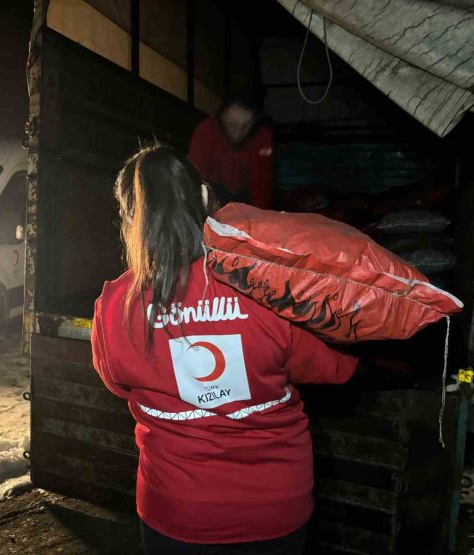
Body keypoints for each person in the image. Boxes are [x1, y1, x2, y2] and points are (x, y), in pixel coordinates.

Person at [91, 144, 358, 554]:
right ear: (202, 198)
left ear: (130, 215)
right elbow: (335, 369)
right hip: (274, 509)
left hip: (175, 510)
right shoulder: (265, 288)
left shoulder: (115, 304)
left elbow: (119, 383)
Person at [188, 98, 274, 209]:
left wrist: (260, 218)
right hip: (214, 195)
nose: (237, 133)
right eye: (232, 125)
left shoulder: (262, 136)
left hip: (246, 199)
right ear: (223, 117)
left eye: (244, 127)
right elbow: (196, 176)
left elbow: (262, 184)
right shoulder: (206, 130)